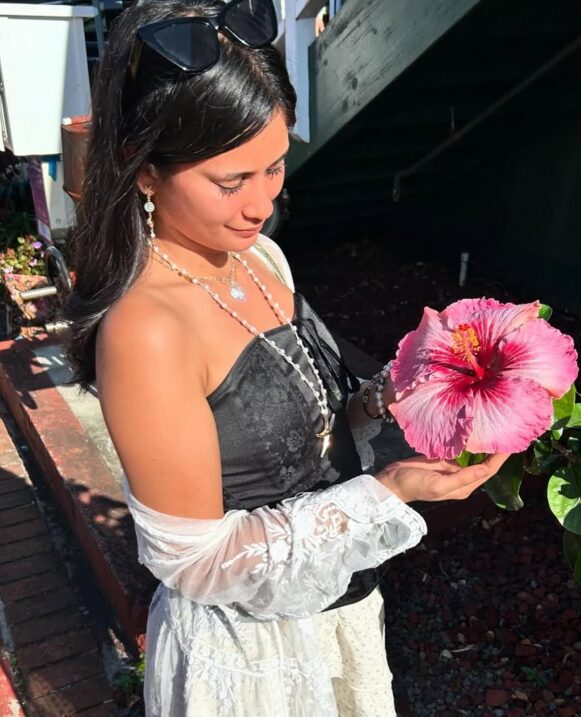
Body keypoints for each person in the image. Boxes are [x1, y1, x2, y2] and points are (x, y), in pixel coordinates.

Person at [64, 1, 508, 715]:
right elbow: (196, 561)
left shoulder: (259, 257)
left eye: (274, 167)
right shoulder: (147, 328)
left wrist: (383, 396)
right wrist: (389, 492)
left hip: (338, 617)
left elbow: (307, 417)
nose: (260, 204)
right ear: (143, 171)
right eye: (230, 181)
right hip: (253, 659)